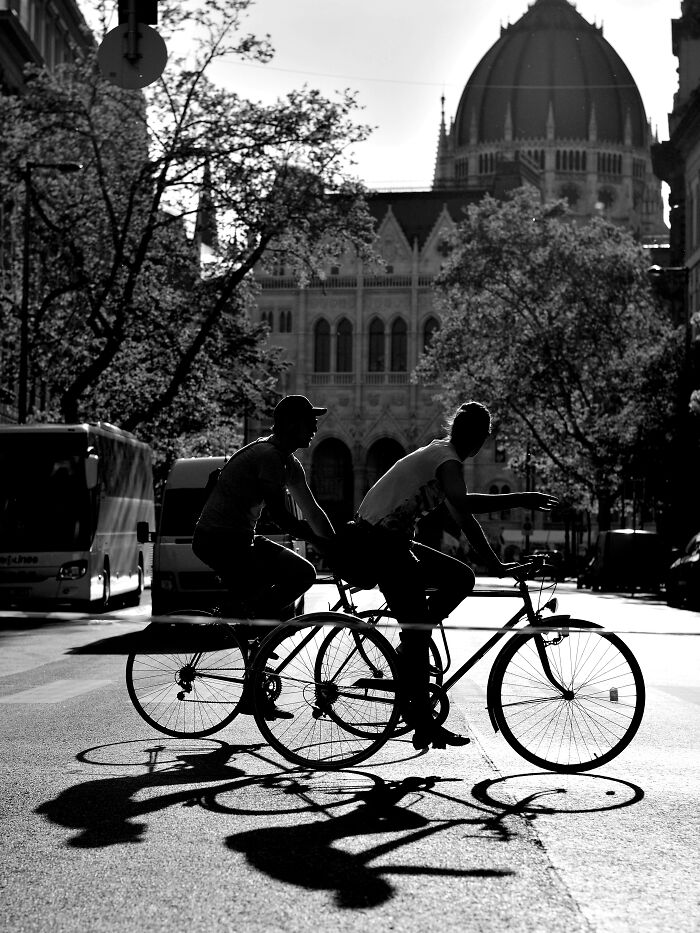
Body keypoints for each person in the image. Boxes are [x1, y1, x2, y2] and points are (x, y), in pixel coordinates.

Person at [354, 401, 558, 751]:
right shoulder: (446, 459)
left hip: (388, 538)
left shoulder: (443, 455)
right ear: (479, 439)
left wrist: (520, 498)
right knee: (417, 626)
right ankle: (421, 718)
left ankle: (412, 646)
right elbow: (464, 516)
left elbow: (460, 501)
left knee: (460, 578)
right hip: (380, 542)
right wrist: (496, 564)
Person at [192, 395, 335, 635]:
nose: (315, 427)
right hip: (218, 540)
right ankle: (247, 624)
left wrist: (335, 545)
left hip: (240, 538)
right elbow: (281, 516)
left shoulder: (288, 461)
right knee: (294, 583)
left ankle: (256, 638)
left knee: (294, 590)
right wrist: (318, 542)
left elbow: (313, 512)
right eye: (309, 421)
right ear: (291, 424)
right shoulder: (269, 457)